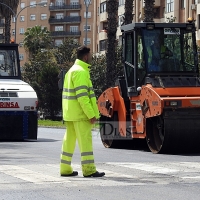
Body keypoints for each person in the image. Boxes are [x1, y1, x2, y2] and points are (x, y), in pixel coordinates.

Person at [60, 45, 105, 178]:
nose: (91, 58)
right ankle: (89, 169)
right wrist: (91, 114)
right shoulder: (81, 72)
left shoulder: (71, 71)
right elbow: (83, 97)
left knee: (68, 141)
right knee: (85, 142)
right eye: (90, 55)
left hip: (70, 114)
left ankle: (65, 168)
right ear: (86, 57)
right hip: (80, 115)